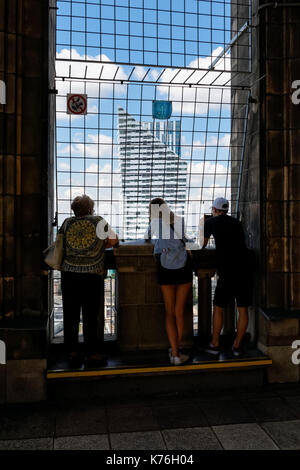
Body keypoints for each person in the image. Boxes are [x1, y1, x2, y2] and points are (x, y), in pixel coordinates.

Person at [58, 194, 119, 367]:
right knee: (91, 316)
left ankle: (73, 353)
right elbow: (114, 241)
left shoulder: (67, 223)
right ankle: (92, 354)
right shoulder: (98, 221)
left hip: (69, 275)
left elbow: (61, 244)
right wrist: (101, 244)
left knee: (71, 315)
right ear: (91, 208)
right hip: (92, 275)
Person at [202, 197, 253, 357]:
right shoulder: (236, 223)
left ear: (214, 210)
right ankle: (237, 346)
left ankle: (215, 344)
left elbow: (201, 244)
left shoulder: (210, 222)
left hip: (227, 271)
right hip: (244, 269)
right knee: (243, 309)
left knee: (218, 307)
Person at [146, 198, 193, 365]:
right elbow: (187, 240)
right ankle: (176, 352)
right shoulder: (179, 220)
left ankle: (174, 353)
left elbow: (146, 237)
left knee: (169, 312)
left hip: (165, 268)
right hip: (183, 267)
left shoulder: (155, 223)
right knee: (179, 311)